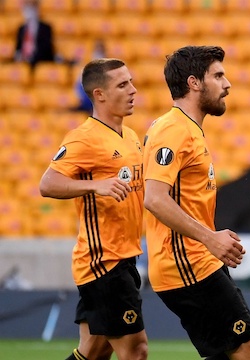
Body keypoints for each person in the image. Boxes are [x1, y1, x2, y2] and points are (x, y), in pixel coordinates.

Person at [142, 45, 250, 360]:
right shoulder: (173, 130)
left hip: (198, 261)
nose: (228, 85)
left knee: (234, 352)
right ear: (195, 83)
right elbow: (154, 198)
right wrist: (210, 238)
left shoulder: (188, 129)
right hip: (185, 264)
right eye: (219, 76)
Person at [39, 58, 148, 360]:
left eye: (131, 82)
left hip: (124, 257)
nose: (133, 90)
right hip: (104, 262)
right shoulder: (84, 138)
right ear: (99, 94)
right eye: (122, 84)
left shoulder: (131, 137)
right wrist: (94, 185)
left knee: (93, 352)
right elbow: (48, 183)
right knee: (136, 350)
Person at [14, 0, 55, 68]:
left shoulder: (45, 28)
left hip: (39, 63)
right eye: (27, 7)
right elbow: (18, 48)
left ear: (37, 8)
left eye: (31, 7)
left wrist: (32, 58)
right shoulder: (21, 28)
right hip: (23, 64)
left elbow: (47, 49)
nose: (29, 10)